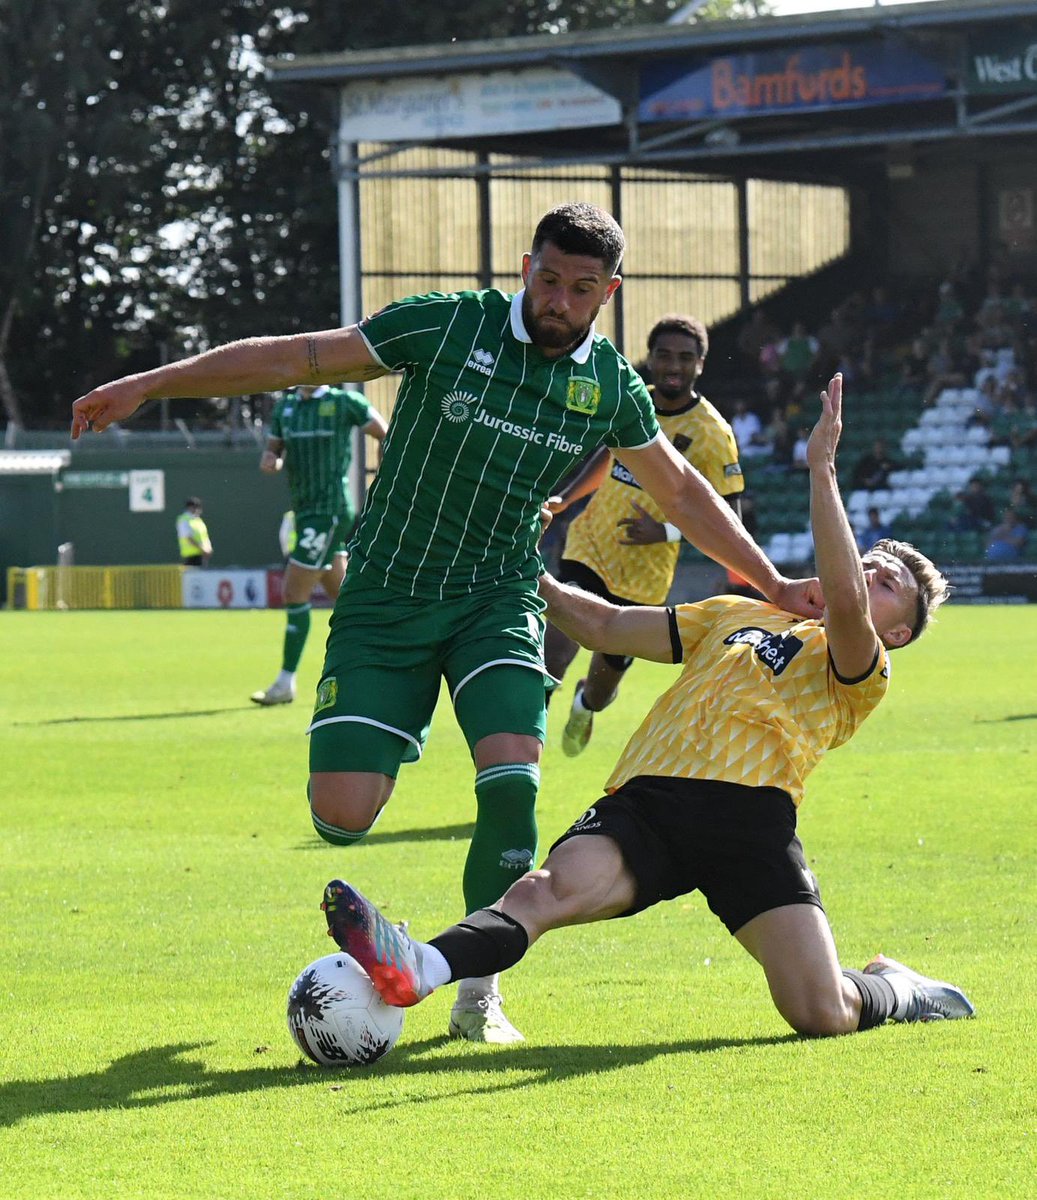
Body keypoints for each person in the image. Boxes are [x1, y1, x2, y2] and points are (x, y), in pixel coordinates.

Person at [71, 201, 822, 1044]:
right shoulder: (445, 324)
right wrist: (153, 379)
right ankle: (403, 724)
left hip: (499, 594)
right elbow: (298, 358)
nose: (558, 301)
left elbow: (682, 489)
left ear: (608, 294)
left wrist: (771, 579)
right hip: (387, 594)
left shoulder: (608, 384)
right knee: (340, 816)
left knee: (512, 782)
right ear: (526, 266)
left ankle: (477, 995)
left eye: (580, 289)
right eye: (546, 279)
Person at [321, 374, 975, 1040]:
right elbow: (604, 627)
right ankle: (420, 966)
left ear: (896, 631)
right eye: (869, 564)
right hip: (648, 803)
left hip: (748, 818)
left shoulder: (863, 666)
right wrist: (517, 564)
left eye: (887, 584)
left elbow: (843, 604)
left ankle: (894, 986)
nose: (870, 574)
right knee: (542, 893)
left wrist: (821, 471)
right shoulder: (734, 611)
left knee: (818, 1012)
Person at [543, 313, 745, 757]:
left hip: (645, 578)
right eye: (664, 355)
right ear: (650, 359)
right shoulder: (633, 401)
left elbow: (730, 516)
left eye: (685, 358)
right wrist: (567, 499)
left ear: (700, 366)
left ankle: (586, 703)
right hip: (590, 544)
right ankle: (519, 766)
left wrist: (666, 531)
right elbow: (610, 454)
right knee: (551, 658)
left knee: (601, 685)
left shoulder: (712, 434)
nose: (673, 365)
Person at [251, 383, 388, 706]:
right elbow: (273, 451)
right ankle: (385, 657)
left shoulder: (345, 402)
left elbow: (385, 433)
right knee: (346, 599)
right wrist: (271, 460)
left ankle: (285, 682)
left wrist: (387, 471)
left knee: (293, 592)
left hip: (330, 511)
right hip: (304, 510)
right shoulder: (286, 408)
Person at [175, 497, 212, 566]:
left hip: (202, 556)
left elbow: (204, 537)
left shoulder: (198, 520)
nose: (198, 510)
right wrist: (202, 549)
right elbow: (188, 538)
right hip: (190, 557)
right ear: (190, 508)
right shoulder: (184, 520)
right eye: (195, 507)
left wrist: (208, 549)